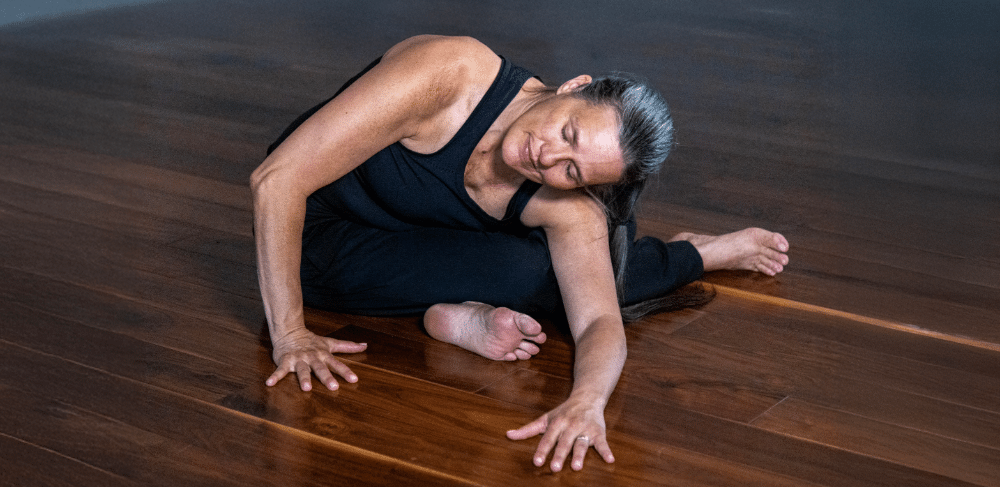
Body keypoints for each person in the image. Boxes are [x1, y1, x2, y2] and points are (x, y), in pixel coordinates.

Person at [251, 35, 789, 473]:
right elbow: (275, 181)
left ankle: (461, 312)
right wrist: (290, 334)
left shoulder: (566, 201)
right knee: (567, 270)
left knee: (554, 269)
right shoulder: (450, 73)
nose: (547, 157)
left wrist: (587, 402)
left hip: (407, 239)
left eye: (572, 170)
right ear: (574, 85)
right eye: (568, 131)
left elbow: (599, 320)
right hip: (315, 233)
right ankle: (692, 254)